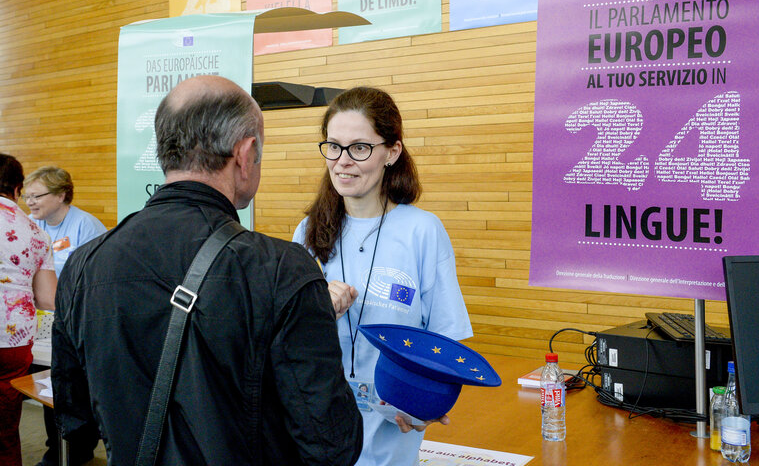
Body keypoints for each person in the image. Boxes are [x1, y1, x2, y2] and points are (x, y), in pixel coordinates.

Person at [51, 75, 363, 465]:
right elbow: (332, 444)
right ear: (246, 154)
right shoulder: (281, 269)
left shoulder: (84, 264)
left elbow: (74, 420)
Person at [292, 87, 473, 466]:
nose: (342, 161)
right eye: (334, 146)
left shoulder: (422, 230)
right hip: (320, 426)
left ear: (392, 152)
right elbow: (287, 340)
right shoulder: (307, 231)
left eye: (359, 147)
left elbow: (445, 337)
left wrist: (426, 401)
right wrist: (317, 308)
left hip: (395, 424)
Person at [23, 166, 106, 466]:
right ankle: (55, 446)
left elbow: (96, 281)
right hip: (41, 319)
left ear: (61, 194)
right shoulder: (30, 225)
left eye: (36, 196)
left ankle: (78, 448)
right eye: (26, 196)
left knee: (69, 384)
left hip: (76, 318)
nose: (30, 202)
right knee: (48, 383)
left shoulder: (87, 226)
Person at [0, 153, 56, 466]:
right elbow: (48, 298)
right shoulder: (37, 234)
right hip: (13, 341)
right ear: (18, 188)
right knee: (6, 427)